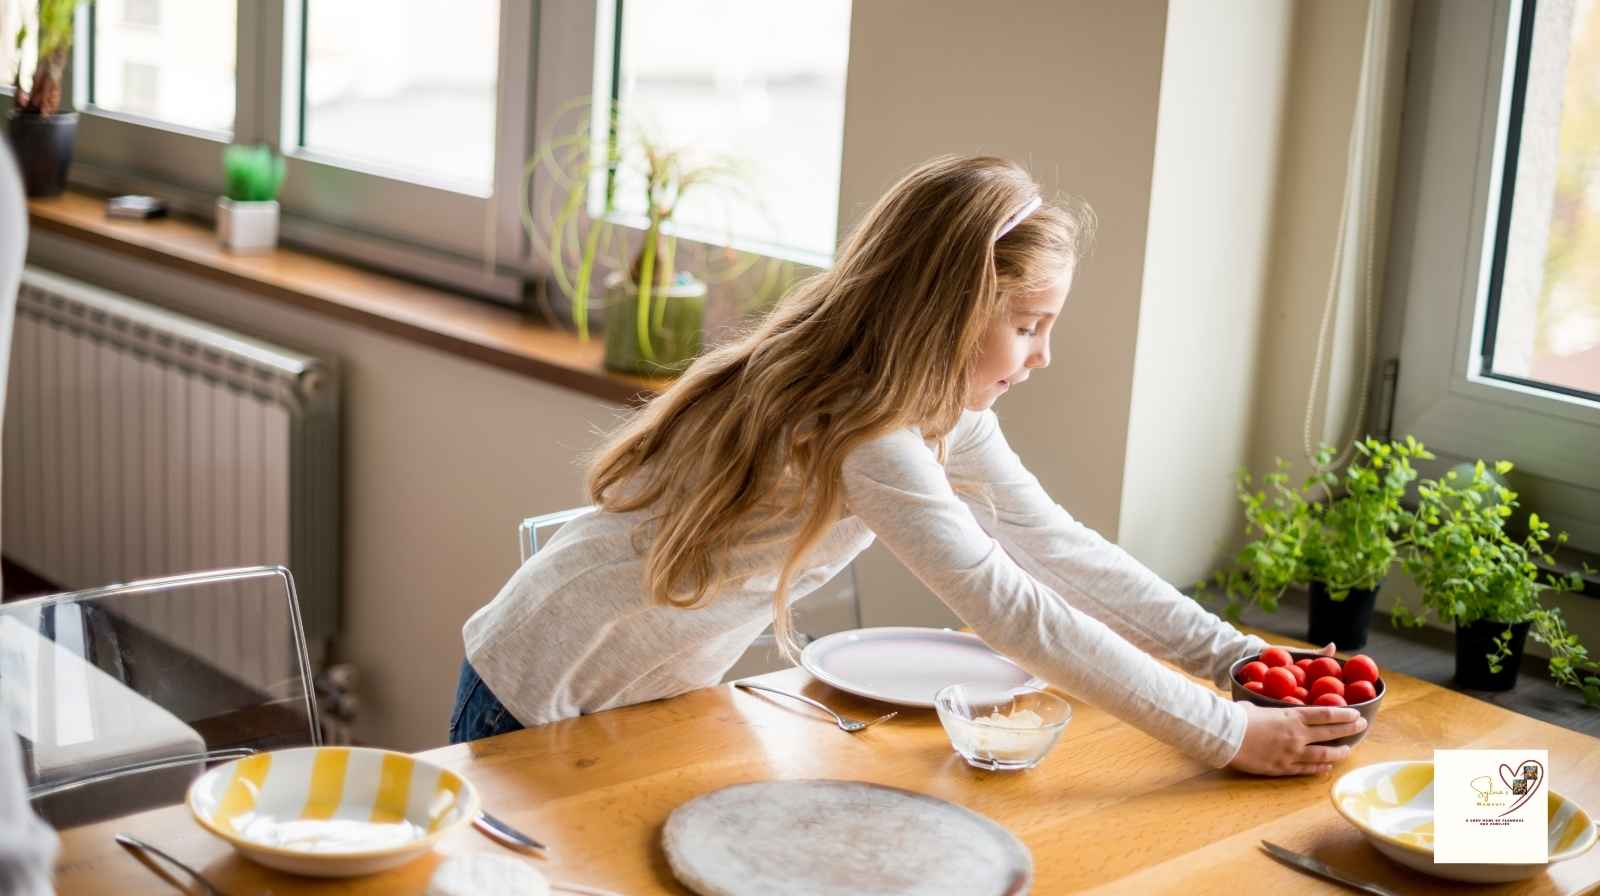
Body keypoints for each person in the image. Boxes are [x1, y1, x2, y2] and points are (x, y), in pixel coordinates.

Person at [455, 155, 1366, 776]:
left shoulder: (937, 412)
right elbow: (1011, 609)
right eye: (1029, 326)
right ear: (951, 313)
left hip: (642, 698)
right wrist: (1225, 733)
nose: (1043, 356)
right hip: (539, 692)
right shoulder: (864, 432)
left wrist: (1233, 655)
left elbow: (1056, 547)